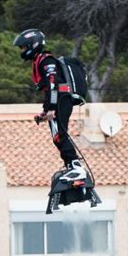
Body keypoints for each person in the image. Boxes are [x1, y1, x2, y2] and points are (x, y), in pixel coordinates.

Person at [13, 28, 87, 182]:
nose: (22, 50)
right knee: (57, 136)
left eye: (24, 47)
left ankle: (76, 167)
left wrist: (52, 108)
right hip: (58, 100)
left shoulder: (46, 60)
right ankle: (71, 165)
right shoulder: (39, 60)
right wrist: (45, 111)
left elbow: (53, 84)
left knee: (60, 134)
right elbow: (48, 90)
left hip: (62, 99)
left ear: (33, 45)